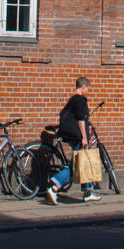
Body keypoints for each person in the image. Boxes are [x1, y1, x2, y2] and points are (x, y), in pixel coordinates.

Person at [46, 76, 101, 204]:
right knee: (76, 164)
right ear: (83, 87)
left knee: (82, 161)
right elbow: (80, 120)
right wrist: (84, 137)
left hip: (70, 135)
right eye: (87, 88)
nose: (87, 91)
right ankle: (54, 187)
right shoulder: (80, 100)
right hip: (77, 136)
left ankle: (88, 191)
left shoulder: (72, 99)